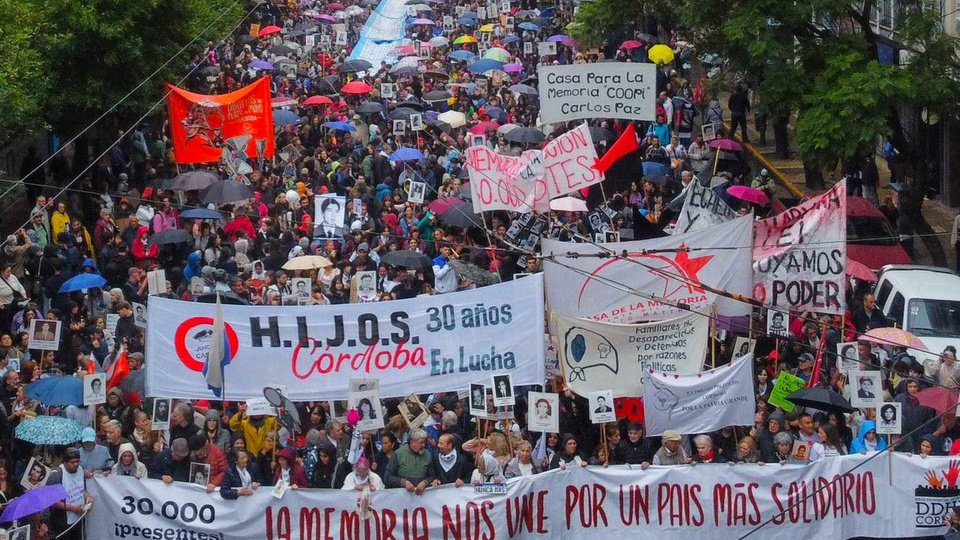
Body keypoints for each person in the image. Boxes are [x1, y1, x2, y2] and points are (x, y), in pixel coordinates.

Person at [47, 448, 94, 540]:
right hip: (63, 522)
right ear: (64, 462)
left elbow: (82, 489)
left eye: (77, 461)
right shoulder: (56, 475)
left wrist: (88, 497)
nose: (76, 464)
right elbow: (52, 501)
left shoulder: (80, 470)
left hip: (78, 519)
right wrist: (72, 508)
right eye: (72, 462)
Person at [384, 429, 436, 494]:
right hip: (402, 497)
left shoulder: (427, 455)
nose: (423, 445)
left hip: (421, 496)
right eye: (421, 442)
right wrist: (403, 482)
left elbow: (432, 476)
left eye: (424, 442)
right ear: (412, 442)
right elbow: (387, 477)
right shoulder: (398, 454)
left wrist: (425, 482)